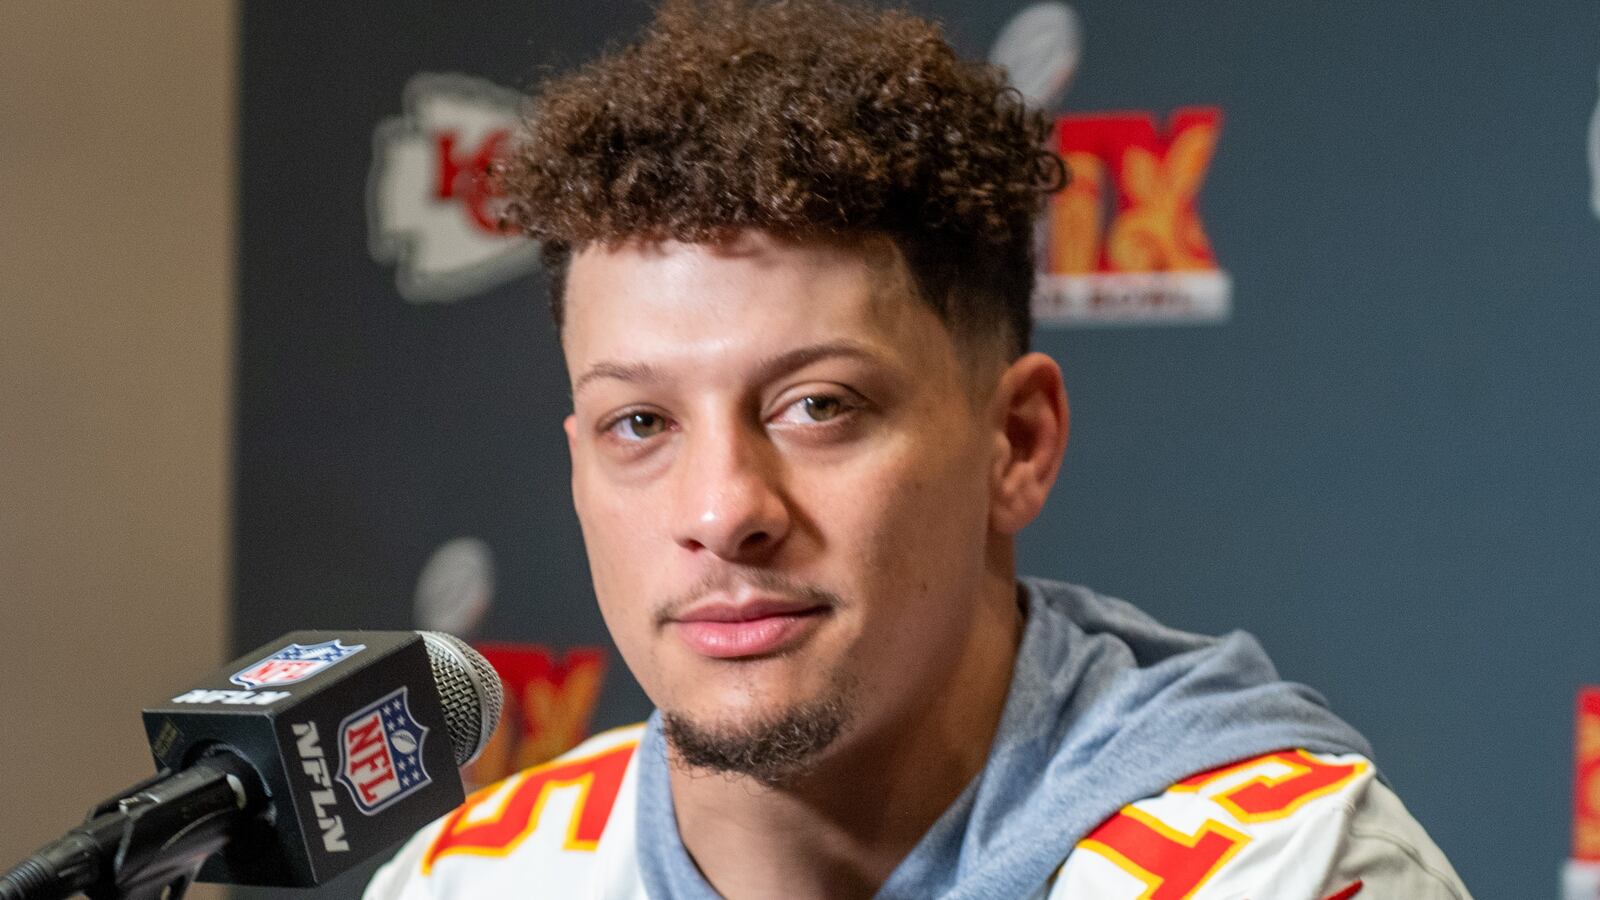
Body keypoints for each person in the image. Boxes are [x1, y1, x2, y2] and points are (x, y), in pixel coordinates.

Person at [367, 1, 1470, 896]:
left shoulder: (1279, 874)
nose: (722, 508)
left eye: (818, 406)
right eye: (641, 424)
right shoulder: (475, 879)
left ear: (1016, 442)